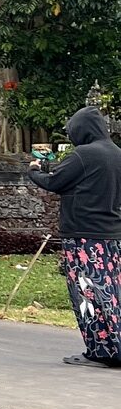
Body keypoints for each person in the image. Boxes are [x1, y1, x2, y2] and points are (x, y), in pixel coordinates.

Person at [29, 104, 121, 368]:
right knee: (112, 293)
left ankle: (100, 352)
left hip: (84, 238)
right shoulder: (117, 154)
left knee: (87, 293)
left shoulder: (83, 155)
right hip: (113, 236)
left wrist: (35, 169)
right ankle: (115, 346)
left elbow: (54, 182)